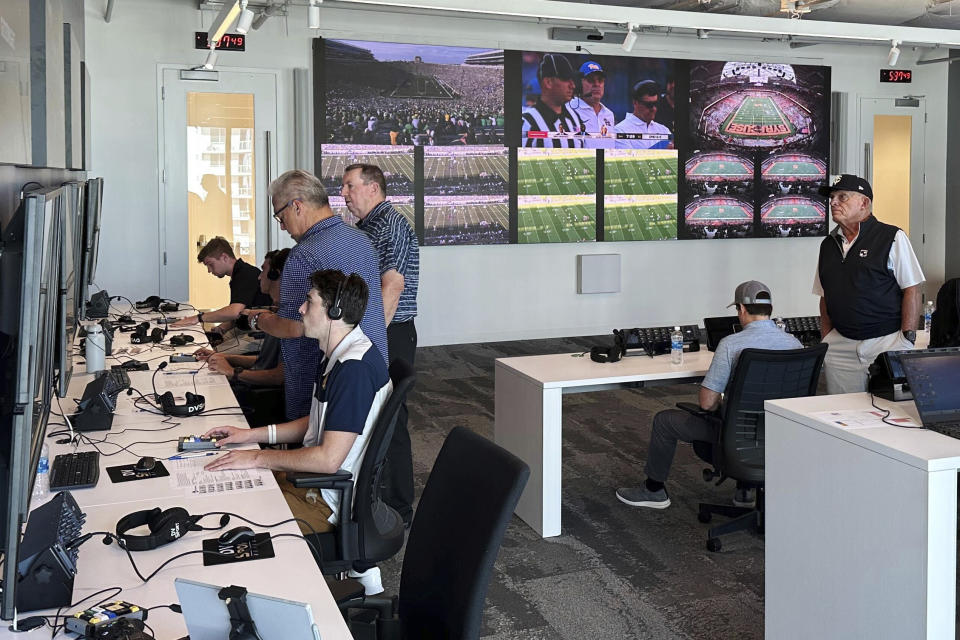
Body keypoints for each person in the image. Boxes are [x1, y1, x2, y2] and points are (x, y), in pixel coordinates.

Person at [203, 269, 391, 594]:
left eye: (309, 301)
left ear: (334, 311)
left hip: (323, 500)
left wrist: (258, 459)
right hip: (311, 486)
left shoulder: (353, 370)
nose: (301, 310)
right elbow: (318, 423)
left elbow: (329, 459)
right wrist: (251, 436)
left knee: (229, 530)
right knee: (225, 490)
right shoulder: (339, 355)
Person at [616, 281, 802, 509]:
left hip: (735, 435)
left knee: (665, 421)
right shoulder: (794, 344)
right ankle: (745, 489)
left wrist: (725, 402)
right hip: (779, 434)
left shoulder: (731, 345)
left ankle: (654, 491)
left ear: (741, 310)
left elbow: (706, 403)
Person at [244, 169, 388, 421]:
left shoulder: (303, 255)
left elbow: (294, 326)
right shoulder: (362, 240)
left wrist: (259, 320)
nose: (282, 226)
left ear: (297, 206)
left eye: (281, 215)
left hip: (318, 391)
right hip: (370, 376)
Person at [341, 163, 420, 526]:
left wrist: (369, 341)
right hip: (376, 331)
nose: (343, 193)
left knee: (391, 418)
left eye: (349, 186)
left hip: (390, 332)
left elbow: (392, 286)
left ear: (373, 188)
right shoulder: (366, 226)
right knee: (374, 416)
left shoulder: (391, 224)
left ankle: (400, 508)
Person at [812, 174, 924, 394]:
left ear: (864, 203)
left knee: (891, 414)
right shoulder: (828, 245)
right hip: (841, 346)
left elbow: (912, 288)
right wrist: (827, 339)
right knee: (844, 418)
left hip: (887, 343)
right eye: (832, 197)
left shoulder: (892, 236)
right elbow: (824, 295)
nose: (833, 202)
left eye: (842, 197)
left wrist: (907, 339)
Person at [193, 249, 289, 426]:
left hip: (262, 396)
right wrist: (225, 358)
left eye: (264, 270)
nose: (260, 277)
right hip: (254, 384)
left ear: (276, 275)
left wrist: (232, 372)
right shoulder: (279, 313)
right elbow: (265, 361)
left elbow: (278, 376)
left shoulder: (287, 322)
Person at [171, 236, 272, 334]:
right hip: (245, 329)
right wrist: (222, 327)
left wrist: (198, 318)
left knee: (212, 351)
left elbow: (234, 312)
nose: (209, 271)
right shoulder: (239, 274)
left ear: (224, 257)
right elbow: (240, 314)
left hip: (256, 334)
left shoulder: (245, 274)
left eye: (211, 264)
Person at [521, 53, 584, 148]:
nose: (573, 85)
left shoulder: (574, 117)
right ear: (548, 82)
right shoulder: (527, 122)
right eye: (566, 79)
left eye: (573, 80)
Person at [565, 61, 616, 149]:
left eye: (600, 80)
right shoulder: (569, 109)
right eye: (591, 80)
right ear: (579, 84)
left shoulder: (609, 114)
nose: (596, 84)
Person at [615, 80, 673, 150]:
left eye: (656, 104)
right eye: (649, 105)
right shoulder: (619, 131)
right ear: (635, 103)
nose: (654, 109)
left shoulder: (663, 130)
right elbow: (626, 160)